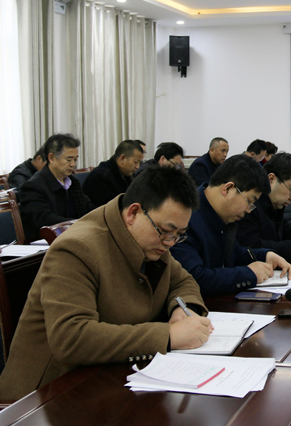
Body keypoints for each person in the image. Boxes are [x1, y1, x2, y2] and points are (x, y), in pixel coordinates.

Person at [0, 166, 212, 402]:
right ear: (133, 213)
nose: (170, 242)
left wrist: (183, 310)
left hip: (108, 378)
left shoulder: (151, 238)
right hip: (47, 395)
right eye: (166, 231)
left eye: (178, 234)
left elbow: (183, 281)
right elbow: (71, 338)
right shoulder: (76, 248)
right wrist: (167, 335)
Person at [171, 154, 291, 297]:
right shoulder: (185, 217)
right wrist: (248, 274)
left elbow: (232, 253)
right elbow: (193, 278)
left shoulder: (221, 214)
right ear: (228, 188)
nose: (248, 210)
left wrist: (265, 255)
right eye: (249, 201)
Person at [237, 153, 291, 261]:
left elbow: (283, 229)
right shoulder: (250, 204)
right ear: (271, 179)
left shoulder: (275, 202)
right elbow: (253, 247)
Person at [20, 134, 95, 243]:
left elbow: (88, 208)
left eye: (75, 159)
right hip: (47, 243)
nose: (73, 164)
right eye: (69, 159)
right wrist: (80, 224)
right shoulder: (33, 186)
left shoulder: (73, 182)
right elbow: (44, 220)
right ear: (51, 158)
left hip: (74, 236)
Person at [83, 140, 145, 206]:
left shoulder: (127, 174)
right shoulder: (101, 176)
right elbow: (110, 209)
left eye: (140, 162)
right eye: (136, 162)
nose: (138, 167)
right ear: (122, 158)